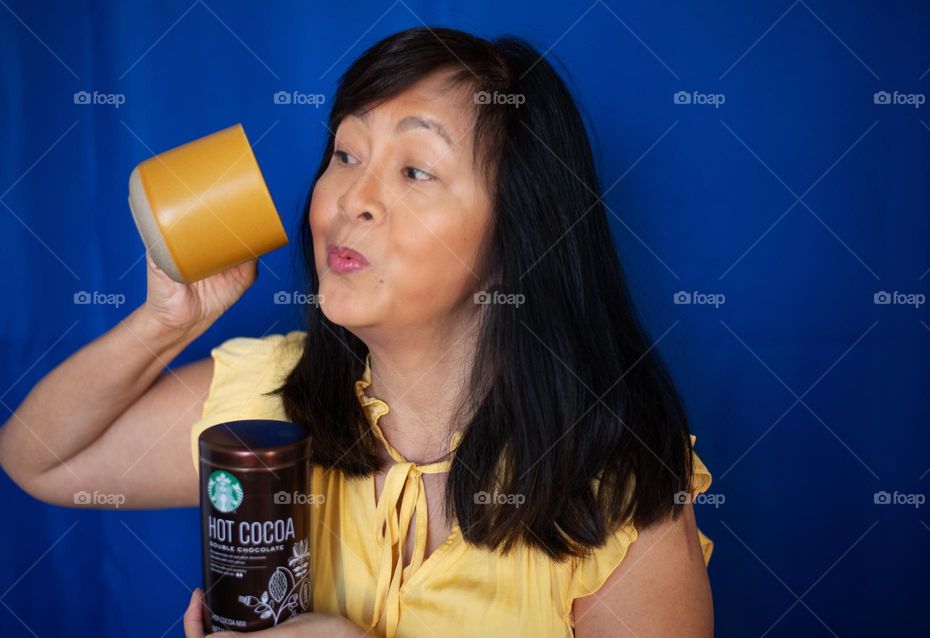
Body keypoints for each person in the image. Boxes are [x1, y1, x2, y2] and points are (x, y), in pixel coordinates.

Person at [0, 26, 715, 637]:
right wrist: (166, 321)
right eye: (345, 154)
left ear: (518, 235)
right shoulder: (269, 400)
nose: (353, 199)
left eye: (414, 170)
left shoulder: (618, 496)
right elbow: (41, 460)